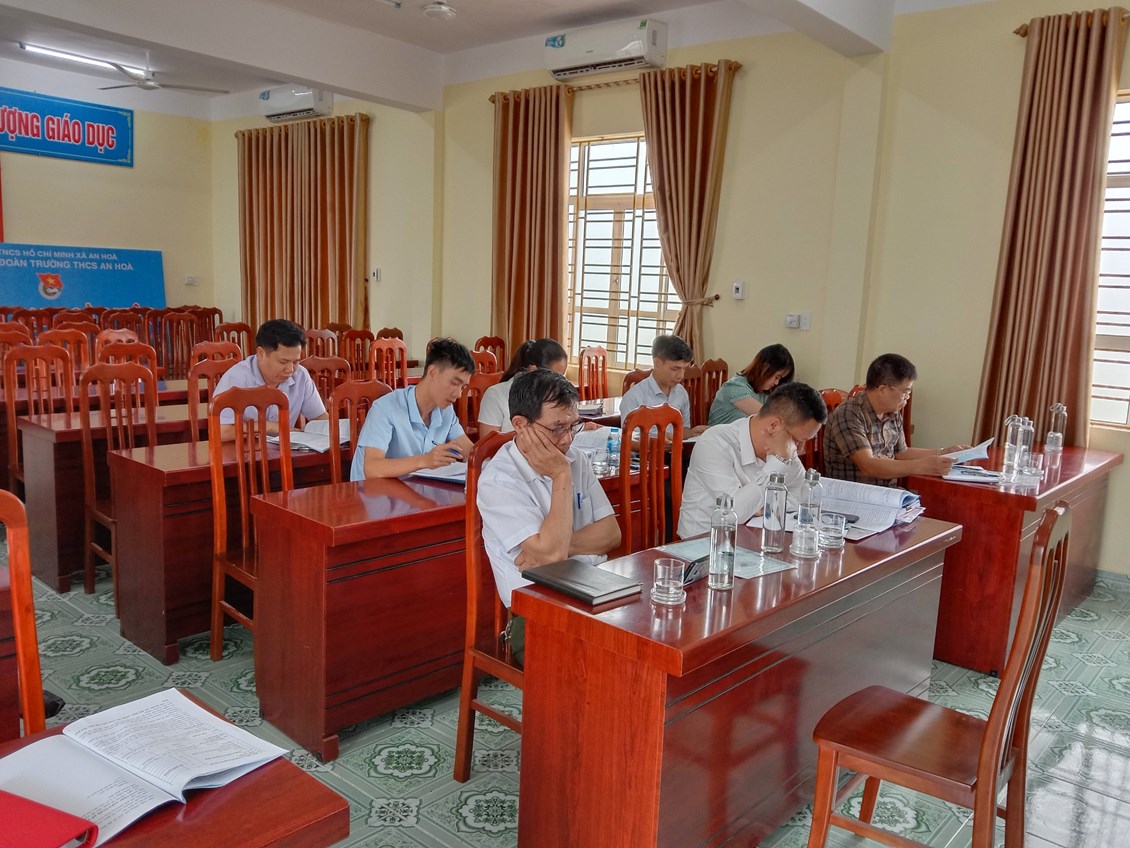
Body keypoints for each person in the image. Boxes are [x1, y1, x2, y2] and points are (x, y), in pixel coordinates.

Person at [477, 368, 621, 666]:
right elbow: (552, 556)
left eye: (573, 425)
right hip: (537, 609)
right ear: (521, 425)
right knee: (607, 663)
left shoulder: (575, 459)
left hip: (594, 589)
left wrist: (557, 547)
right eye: (557, 428)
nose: (567, 439)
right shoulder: (499, 480)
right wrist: (560, 475)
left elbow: (611, 534)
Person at [678, 382, 827, 538]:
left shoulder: (786, 449)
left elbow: (803, 499)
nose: (800, 449)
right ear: (774, 425)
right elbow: (733, 513)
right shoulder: (715, 442)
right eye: (797, 440)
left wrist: (760, 506)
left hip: (753, 540)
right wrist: (778, 463)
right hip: (703, 543)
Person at [822, 353, 964, 486]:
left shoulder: (892, 413)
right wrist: (920, 465)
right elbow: (868, 466)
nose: (907, 397)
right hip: (854, 493)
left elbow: (901, 453)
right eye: (905, 392)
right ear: (883, 389)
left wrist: (944, 452)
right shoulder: (849, 414)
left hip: (886, 491)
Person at [350, 337, 476, 480]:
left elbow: (469, 451)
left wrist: (492, 458)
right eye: (454, 383)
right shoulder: (385, 408)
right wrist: (425, 460)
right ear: (433, 372)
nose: (458, 394)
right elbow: (371, 469)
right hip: (372, 491)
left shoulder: (445, 411)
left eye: (463, 387)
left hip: (412, 488)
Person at [213, 318, 327, 441]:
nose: (290, 369)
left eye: (296, 362)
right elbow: (221, 432)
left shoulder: (301, 375)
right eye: (283, 362)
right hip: (243, 450)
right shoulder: (236, 378)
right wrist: (269, 426)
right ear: (261, 353)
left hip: (284, 449)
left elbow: (320, 418)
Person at [477, 338, 569, 438]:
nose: (558, 383)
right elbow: (488, 444)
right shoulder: (496, 395)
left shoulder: (554, 394)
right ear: (533, 370)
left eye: (562, 377)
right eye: (554, 377)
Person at [620, 334, 708, 436]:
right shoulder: (633, 398)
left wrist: (692, 433)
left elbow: (682, 430)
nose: (681, 376)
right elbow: (629, 439)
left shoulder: (681, 393)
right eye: (675, 369)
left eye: (684, 369)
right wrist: (659, 440)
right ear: (657, 363)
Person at [708, 343, 795, 425]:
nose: (776, 383)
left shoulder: (762, 392)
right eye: (777, 377)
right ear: (765, 367)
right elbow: (769, 418)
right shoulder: (736, 387)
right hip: (721, 435)